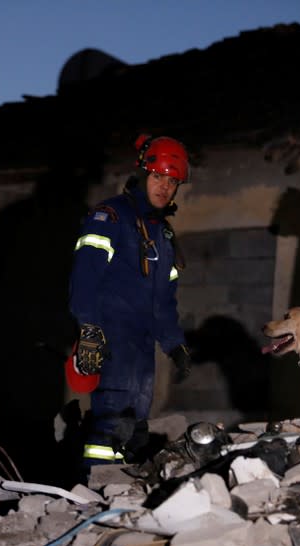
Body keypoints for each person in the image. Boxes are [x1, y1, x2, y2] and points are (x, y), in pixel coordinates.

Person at [68, 133, 193, 475]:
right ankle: (96, 491)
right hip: (111, 335)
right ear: (142, 174)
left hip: (142, 345)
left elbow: (164, 300)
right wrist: (90, 328)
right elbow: (86, 277)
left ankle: (122, 496)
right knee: (112, 423)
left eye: (172, 181)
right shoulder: (110, 216)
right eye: (158, 177)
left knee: (135, 428)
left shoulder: (163, 235)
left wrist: (174, 343)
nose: (164, 187)